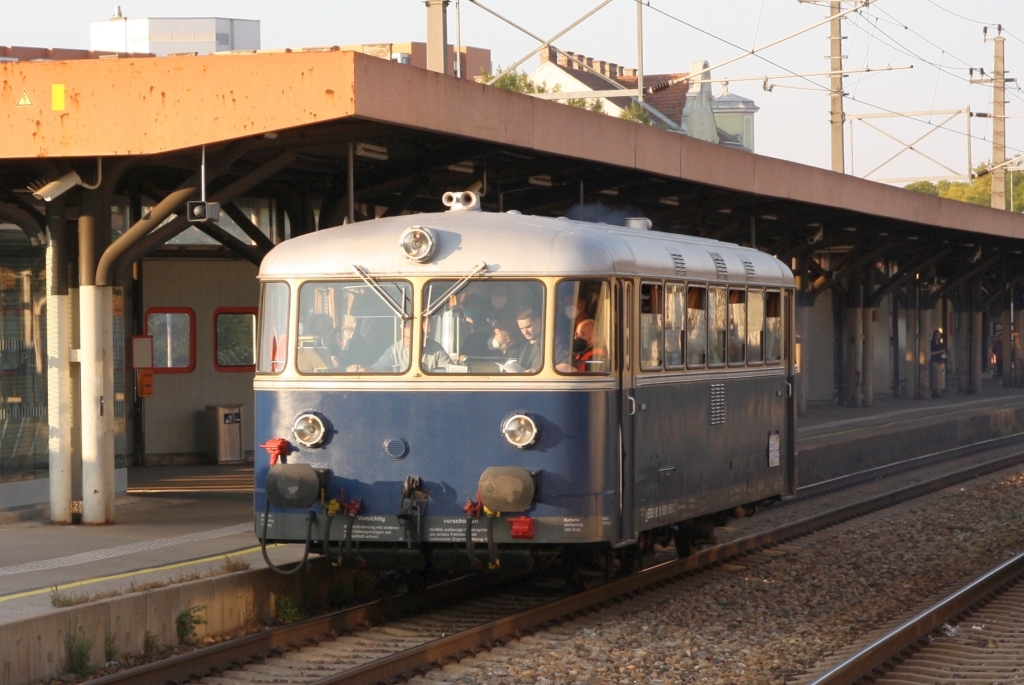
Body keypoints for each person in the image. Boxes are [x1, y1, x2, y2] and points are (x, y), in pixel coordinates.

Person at [348, 320, 452, 373]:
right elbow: (380, 367)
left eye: (414, 337)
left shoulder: (436, 349)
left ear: (423, 336)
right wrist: (363, 370)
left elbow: (449, 370)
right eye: (407, 338)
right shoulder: (395, 349)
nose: (410, 341)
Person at [515, 305, 571, 372]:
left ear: (538, 322)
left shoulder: (552, 343)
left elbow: (569, 366)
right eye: (521, 328)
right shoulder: (522, 348)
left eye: (528, 327)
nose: (525, 332)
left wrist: (538, 372)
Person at [930, 329, 947, 397]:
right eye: (937, 335)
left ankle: (941, 388)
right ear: (934, 335)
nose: (938, 336)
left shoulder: (941, 344)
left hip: (941, 361)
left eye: (939, 335)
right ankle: (934, 391)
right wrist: (940, 351)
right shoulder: (932, 343)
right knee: (935, 376)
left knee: (941, 375)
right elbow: (930, 353)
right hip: (934, 361)